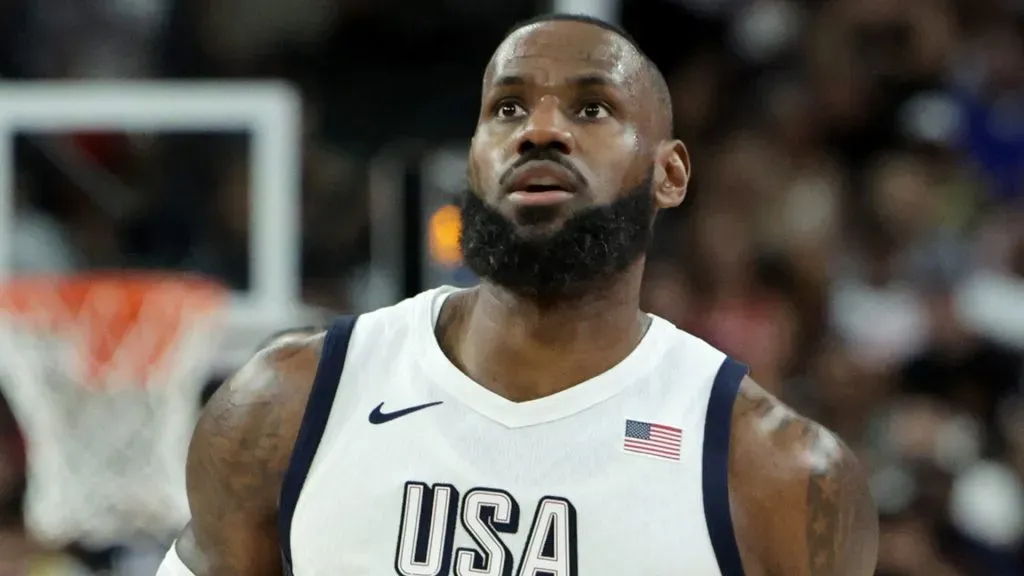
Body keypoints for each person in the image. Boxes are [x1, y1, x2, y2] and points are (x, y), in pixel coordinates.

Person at [157, 13, 879, 576]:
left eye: (592, 109)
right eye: (506, 108)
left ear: (671, 174)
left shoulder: (776, 473)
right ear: (471, 160)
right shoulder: (288, 402)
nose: (539, 130)